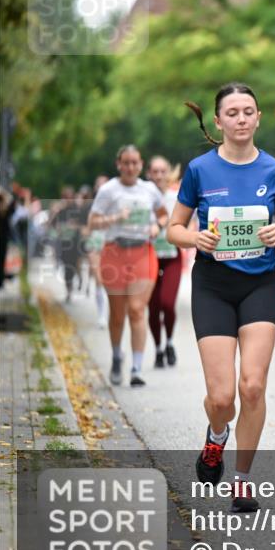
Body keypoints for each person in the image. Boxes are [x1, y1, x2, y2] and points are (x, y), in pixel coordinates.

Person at [168, 83, 275, 514]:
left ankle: (242, 480)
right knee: (222, 397)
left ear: (258, 118)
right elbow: (174, 228)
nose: (241, 119)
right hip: (213, 286)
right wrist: (195, 238)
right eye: (233, 113)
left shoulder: (274, 171)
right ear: (219, 121)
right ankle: (217, 435)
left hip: (260, 285)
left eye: (248, 112)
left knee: (254, 386)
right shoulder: (200, 170)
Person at [88, 146, 169, 387]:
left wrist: (157, 227)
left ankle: (136, 368)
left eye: (135, 163)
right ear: (119, 164)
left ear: (141, 165)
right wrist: (115, 218)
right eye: (126, 162)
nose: (131, 167)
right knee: (117, 314)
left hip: (143, 253)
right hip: (114, 253)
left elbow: (164, 215)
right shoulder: (108, 190)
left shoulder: (149, 189)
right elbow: (92, 222)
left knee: (136, 309)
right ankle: (116, 356)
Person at [147, 156, 182, 368]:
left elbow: (191, 221)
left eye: (163, 171)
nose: (159, 175)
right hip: (148, 258)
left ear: (168, 173)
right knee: (153, 307)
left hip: (171, 257)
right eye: (155, 171)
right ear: (149, 174)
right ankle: (158, 349)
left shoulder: (176, 197)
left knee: (167, 304)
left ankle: (169, 342)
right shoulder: (142, 197)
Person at [84, 175, 110, 328]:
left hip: (110, 243)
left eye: (104, 185)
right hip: (94, 242)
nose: (101, 188)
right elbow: (87, 226)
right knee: (98, 279)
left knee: (111, 280)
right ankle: (101, 314)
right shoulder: (91, 205)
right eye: (98, 185)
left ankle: (111, 311)